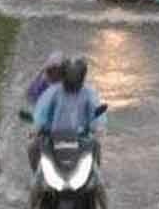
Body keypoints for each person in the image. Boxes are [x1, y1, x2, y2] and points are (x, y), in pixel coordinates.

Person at [29, 57, 107, 209]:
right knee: (32, 149)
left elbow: (98, 113)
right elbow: (41, 112)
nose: (72, 85)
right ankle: (32, 203)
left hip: (82, 140)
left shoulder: (89, 94)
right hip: (52, 140)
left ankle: (102, 199)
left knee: (99, 180)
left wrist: (99, 127)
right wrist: (36, 127)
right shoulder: (52, 93)